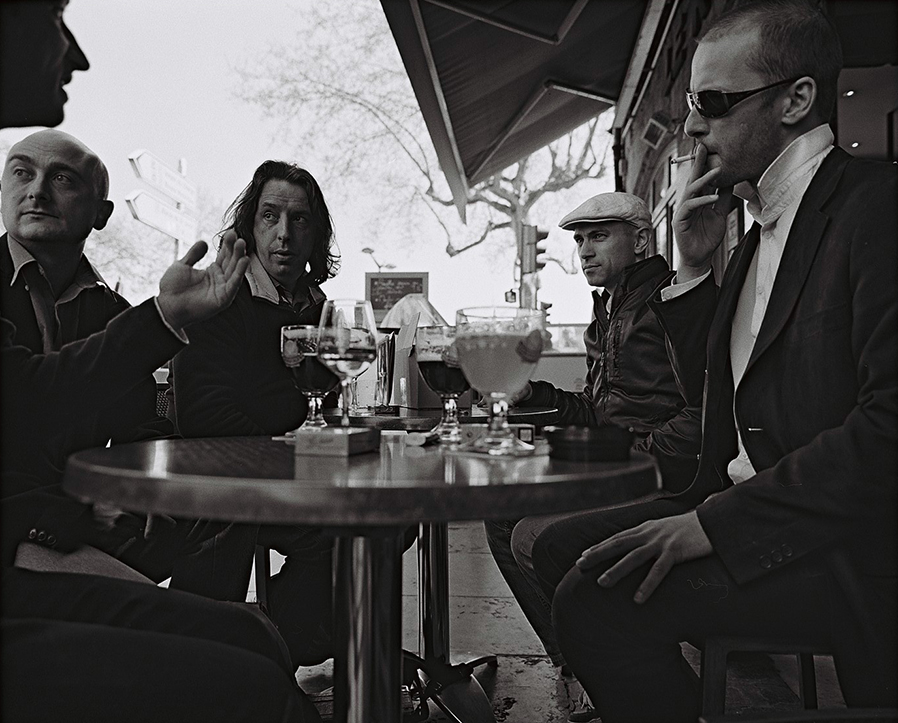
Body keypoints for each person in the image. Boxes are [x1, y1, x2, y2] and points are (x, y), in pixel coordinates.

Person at [546, 2, 897, 722]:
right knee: (559, 548)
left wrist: (718, 525)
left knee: (596, 600)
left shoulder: (873, 211)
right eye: (688, 106)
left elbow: (887, 429)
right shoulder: (750, 229)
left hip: (834, 541)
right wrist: (699, 268)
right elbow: (732, 389)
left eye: (714, 102)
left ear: (798, 99)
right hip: (727, 497)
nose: (694, 125)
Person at [1, 3, 319, 720]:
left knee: (262, 629)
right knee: (252, 661)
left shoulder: (115, 313)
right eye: (21, 171)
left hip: (94, 524)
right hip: (29, 536)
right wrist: (169, 319)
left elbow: (147, 425)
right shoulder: (176, 314)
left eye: (63, 179)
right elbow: (31, 402)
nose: (37, 190)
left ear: (101, 214)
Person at [484, 192, 701, 722]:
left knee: (531, 535)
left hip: (668, 480)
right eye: (579, 239)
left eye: (598, 235)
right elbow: (600, 410)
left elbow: (704, 410)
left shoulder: (671, 300)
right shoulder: (610, 307)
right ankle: (574, 663)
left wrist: (640, 456)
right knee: (501, 515)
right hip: (621, 465)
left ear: (642, 239)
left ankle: (605, 664)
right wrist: (533, 395)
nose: (583, 250)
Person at [172, 160, 342, 667]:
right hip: (225, 476)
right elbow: (201, 413)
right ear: (251, 226)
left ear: (317, 236)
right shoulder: (220, 298)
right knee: (342, 531)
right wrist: (295, 456)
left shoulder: (318, 308)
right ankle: (254, 657)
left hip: (297, 477)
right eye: (270, 217)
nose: (284, 235)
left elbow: (326, 406)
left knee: (394, 520)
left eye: (300, 220)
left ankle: (280, 646)